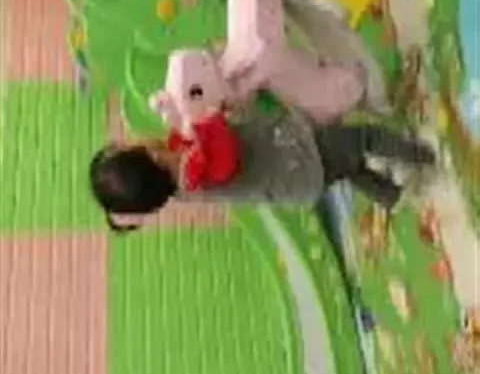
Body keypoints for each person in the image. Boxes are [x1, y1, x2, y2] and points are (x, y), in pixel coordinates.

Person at [90, 106, 436, 232]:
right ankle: (427, 154)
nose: (136, 136)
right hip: (301, 159)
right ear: (149, 157)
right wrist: (210, 114)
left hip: (299, 174)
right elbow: (225, 152)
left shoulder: (180, 176)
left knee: (348, 165)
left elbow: (186, 142)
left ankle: (393, 196)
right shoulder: (194, 170)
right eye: (130, 142)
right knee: (363, 138)